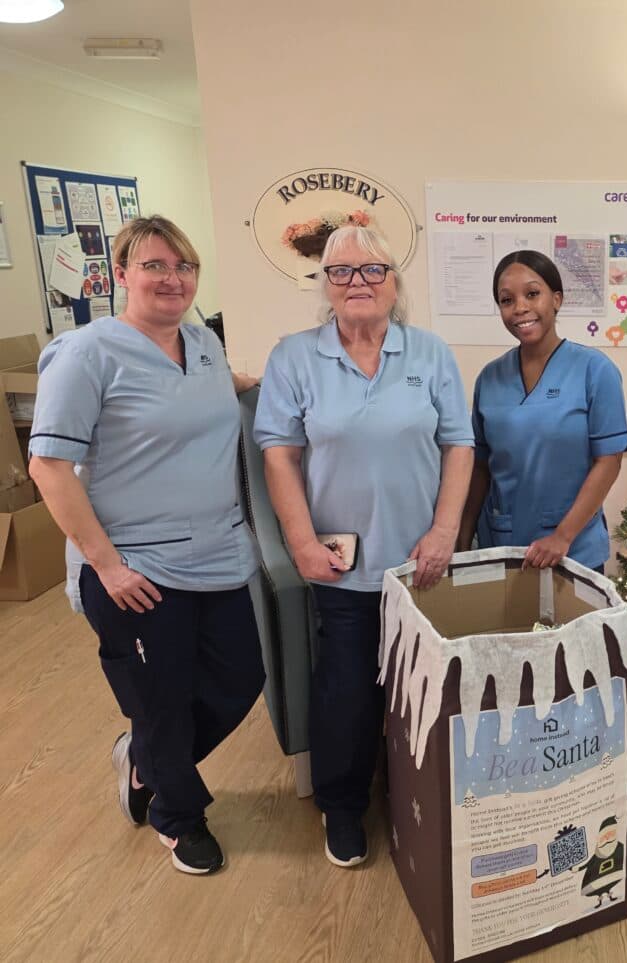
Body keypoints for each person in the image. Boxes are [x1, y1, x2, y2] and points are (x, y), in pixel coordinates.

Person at [28, 215, 265, 876]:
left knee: (242, 675)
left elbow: (217, 390)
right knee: (158, 697)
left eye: (183, 266)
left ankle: (144, 757)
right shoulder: (87, 353)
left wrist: (275, 384)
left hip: (220, 556)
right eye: (154, 266)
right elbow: (48, 467)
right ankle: (175, 814)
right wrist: (107, 564)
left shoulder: (203, 343)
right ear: (122, 275)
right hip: (135, 568)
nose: (172, 278)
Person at [254, 222, 474, 868]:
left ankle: (418, 801)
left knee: (422, 692)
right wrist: (299, 540)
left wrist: (444, 532)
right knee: (347, 692)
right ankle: (343, 806)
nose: (357, 282)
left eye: (372, 270)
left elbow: (459, 446)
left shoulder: (430, 354)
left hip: (420, 567)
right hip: (340, 566)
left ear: (394, 283)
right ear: (325, 286)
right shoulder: (295, 357)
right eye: (342, 272)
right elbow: (279, 456)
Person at [457, 250, 627, 572]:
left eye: (532, 294)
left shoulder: (595, 371)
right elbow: (480, 468)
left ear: (557, 299)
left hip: (573, 551)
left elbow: (609, 461)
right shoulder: (490, 378)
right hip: (503, 547)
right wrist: (463, 541)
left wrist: (562, 537)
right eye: (507, 300)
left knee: (575, 624)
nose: (520, 307)